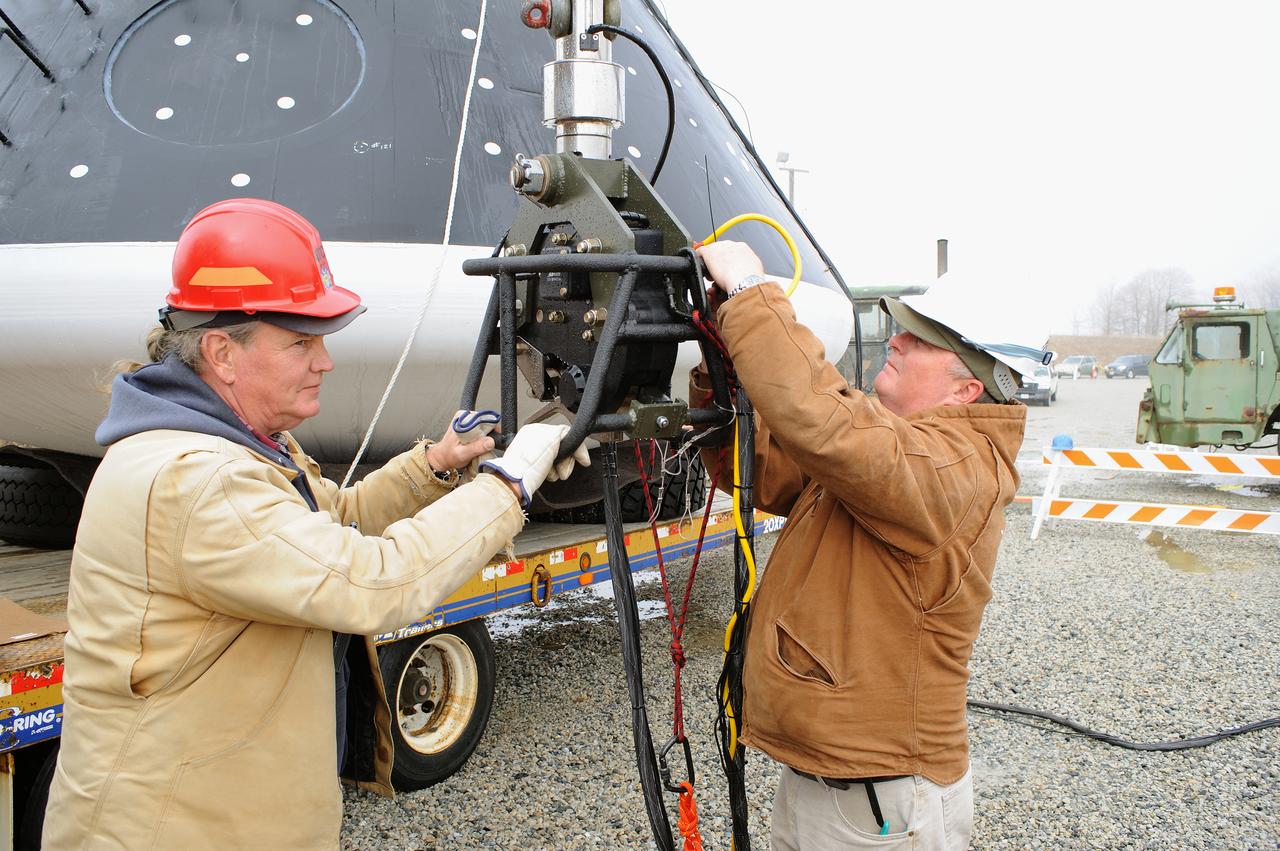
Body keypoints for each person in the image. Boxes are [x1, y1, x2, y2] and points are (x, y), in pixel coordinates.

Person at [42, 198, 586, 849]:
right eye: (301, 340)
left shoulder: (240, 441)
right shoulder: (199, 477)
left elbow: (335, 521)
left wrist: (437, 465)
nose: (324, 360)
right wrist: (508, 486)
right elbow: (371, 583)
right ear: (221, 352)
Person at [691, 241, 1037, 850]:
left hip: (879, 797)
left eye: (923, 340)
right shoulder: (902, 448)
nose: (896, 341)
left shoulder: (955, 466)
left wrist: (751, 294)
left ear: (969, 390)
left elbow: (823, 423)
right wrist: (717, 365)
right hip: (835, 779)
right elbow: (766, 468)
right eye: (902, 330)